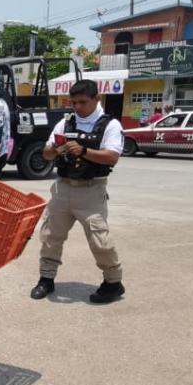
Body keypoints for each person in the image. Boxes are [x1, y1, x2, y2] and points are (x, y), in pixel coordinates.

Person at [30, 79, 126, 304]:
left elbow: (112, 156)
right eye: (74, 102)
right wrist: (53, 149)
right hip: (63, 188)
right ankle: (46, 278)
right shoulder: (65, 123)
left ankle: (113, 282)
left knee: (100, 240)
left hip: (91, 190)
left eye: (83, 102)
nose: (78, 107)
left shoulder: (110, 125)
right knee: (50, 236)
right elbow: (46, 153)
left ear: (96, 99)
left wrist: (83, 151)